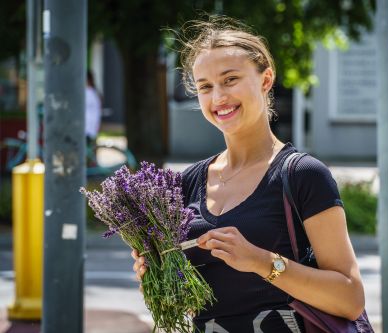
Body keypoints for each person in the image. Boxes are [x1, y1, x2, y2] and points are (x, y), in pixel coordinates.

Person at [132, 16, 365, 333]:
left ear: (266, 79)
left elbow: (350, 298)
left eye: (230, 80)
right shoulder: (186, 184)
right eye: (205, 87)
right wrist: (156, 278)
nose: (218, 98)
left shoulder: (302, 175)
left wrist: (261, 261)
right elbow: (188, 304)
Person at [85, 70, 102, 164]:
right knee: (91, 150)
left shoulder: (87, 93)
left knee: (87, 151)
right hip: (92, 127)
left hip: (86, 127)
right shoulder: (94, 92)